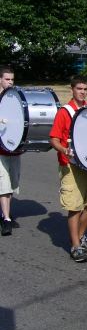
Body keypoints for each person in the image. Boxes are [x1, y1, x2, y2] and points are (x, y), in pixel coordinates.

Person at [49, 76, 87, 262]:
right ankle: (75, 246)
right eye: (79, 88)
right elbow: (53, 139)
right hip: (70, 164)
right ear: (72, 89)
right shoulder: (65, 112)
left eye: (86, 89)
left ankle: (79, 237)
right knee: (74, 207)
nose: (83, 92)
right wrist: (64, 149)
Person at [0, 66, 20, 235]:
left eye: (12, 79)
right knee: (4, 185)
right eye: (7, 79)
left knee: (12, 185)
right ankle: (6, 218)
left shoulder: (16, 98)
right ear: (0, 79)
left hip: (14, 150)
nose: (10, 82)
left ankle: (5, 212)